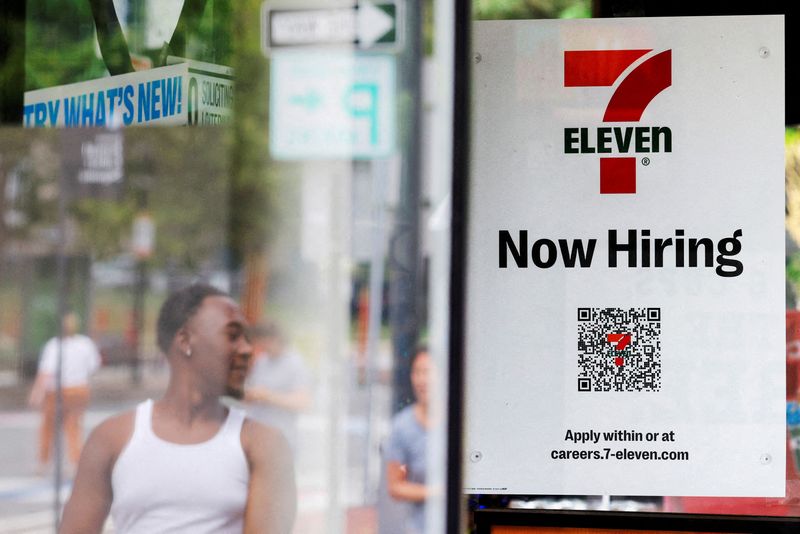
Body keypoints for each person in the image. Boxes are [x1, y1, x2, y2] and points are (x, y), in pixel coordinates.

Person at [59, 284, 296, 534]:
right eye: (233, 335)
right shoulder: (111, 439)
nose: (248, 350)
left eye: (248, 339)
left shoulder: (263, 445)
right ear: (184, 340)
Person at [28, 312, 101, 475]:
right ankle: (75, 461)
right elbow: (93, 366)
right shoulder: (86, 344)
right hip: (79, 389)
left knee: (48, 427)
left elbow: (46, 371)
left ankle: (44, 461)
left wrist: (37, 392)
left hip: (58, 390)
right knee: (73, 427)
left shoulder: (54, 345)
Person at [385, 347, 437, 534]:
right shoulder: (402, 426)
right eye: (417, 372)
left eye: (428, 372)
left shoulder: (458, 421)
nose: (422, 380)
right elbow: (395, 486)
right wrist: (437, 493)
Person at [243, 321, 311, 453]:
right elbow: (253, 391)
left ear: (275, 339)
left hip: (281, 440)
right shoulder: (262, 360)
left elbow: (303, 402)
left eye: (264, 343)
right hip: (258, 438)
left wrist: (268, 396)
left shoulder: (295, 363)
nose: (262, 347)